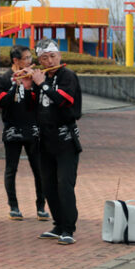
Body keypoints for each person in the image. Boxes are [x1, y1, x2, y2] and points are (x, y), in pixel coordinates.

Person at [31, 38, 82, 245]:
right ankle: (58, 225)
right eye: (44, 58)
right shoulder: (41, 78)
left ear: (59, 56)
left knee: (64, 184)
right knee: (48, 185)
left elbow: (63, 100)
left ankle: (69, 228)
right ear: (39, 61)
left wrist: (41, 84)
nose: (50, 61)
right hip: (45, 139)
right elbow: (31, 107)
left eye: (53, 56)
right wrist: (27, 86)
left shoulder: (67, 76)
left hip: (65, 138)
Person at [0, 44, 48, 221]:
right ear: (16, 60)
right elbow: (1, 103)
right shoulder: (3, 79)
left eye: (30, 58)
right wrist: (14, 85)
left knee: (39, 169)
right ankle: (14, 207)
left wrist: (31, 87)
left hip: (33, 129)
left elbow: (37, 104)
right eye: (26, 58)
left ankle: (41, 206)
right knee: (11, 170)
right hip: (12, 130)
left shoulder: (34, 77)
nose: (30, 61)